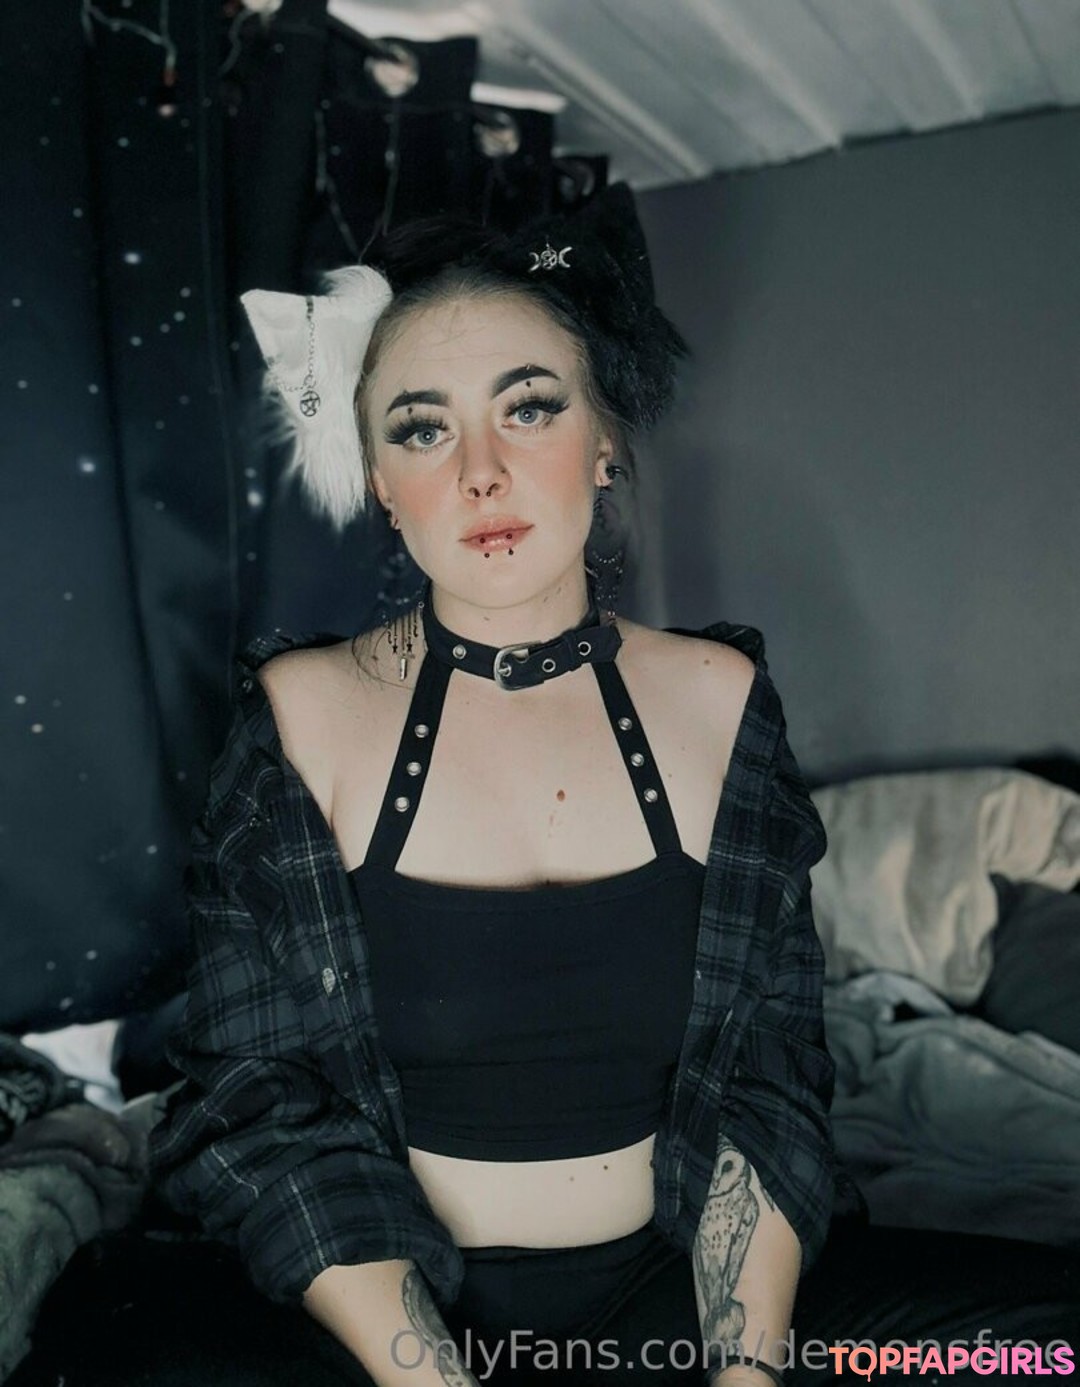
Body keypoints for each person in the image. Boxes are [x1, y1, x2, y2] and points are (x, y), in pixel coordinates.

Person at [146, 184, 844, 1387]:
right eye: (423, 430)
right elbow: (250, 1103)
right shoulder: (299, 719)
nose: (480, 471)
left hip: (670, 1297)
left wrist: (745, 1371)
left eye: (528, 407)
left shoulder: (723, 700)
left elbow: (771, 1073)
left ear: (604, 439)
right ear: (378, 477)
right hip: (385, 1329)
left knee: (1036, 1342)